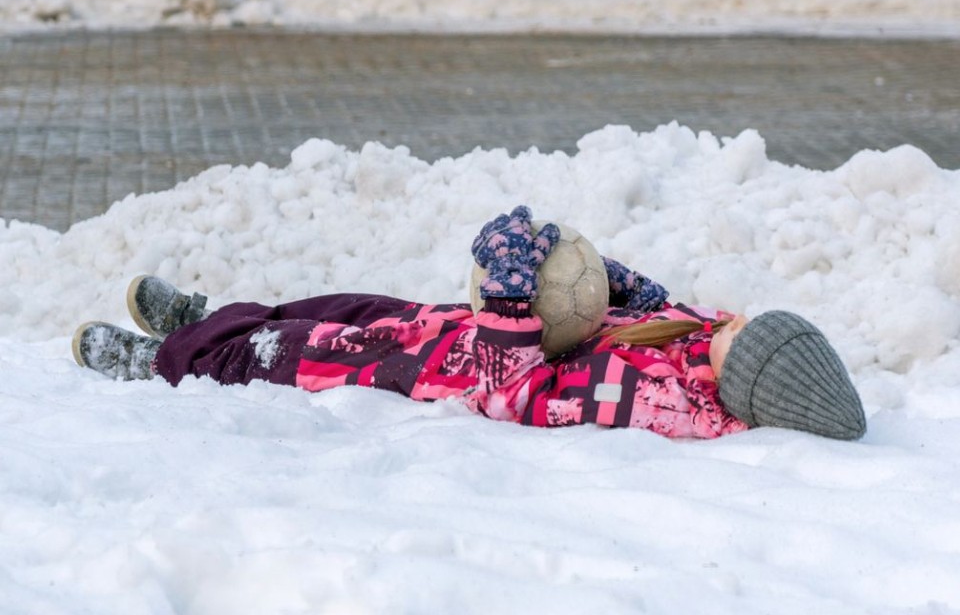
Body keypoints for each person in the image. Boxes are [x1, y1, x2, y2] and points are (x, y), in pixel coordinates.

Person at [72, 206, 866, 441]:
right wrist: (612, 281)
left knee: (288, 356)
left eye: (746, 332)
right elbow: (647, 310)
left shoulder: (664, 400)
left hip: (436, 369)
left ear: (748, 376)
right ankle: (206, 320)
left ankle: (162, 361)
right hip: (448, 326)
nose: (735, 318)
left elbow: (519, 395)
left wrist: (517, 296)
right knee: (328, 307)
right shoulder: (696, 338)